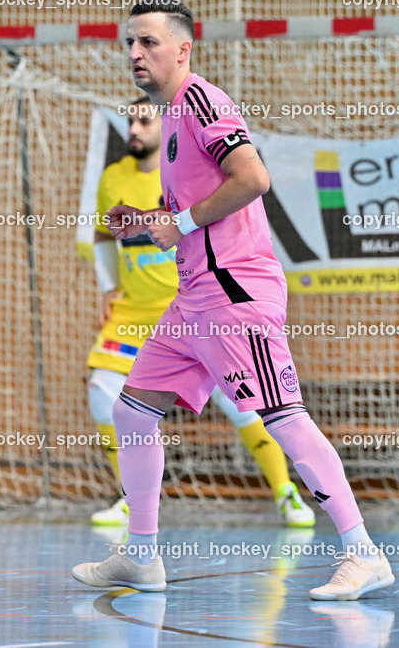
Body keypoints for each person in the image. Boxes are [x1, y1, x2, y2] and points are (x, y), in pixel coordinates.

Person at [72, 1, 394, 601]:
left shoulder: (201, 100)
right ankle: (140, 556)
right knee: (132, 411)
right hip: (192, 299)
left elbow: (252, 178)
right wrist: (147, 218)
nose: (135, 53)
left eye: (148, 42)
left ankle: (363, 552)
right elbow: (196, 206)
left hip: (234, 294)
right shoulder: (170, 116)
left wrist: (179, 223)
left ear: (182, 49)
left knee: (283, 417)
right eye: (130, 43)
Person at [86, 96, 315, 529]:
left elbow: (238, 197)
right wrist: (109, 286)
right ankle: (132, 501)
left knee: (244, 400)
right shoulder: (113, 177)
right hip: (133, 313)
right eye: (130, 120)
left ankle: (285, 492)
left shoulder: (187, 168)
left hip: (193, 303)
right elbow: (102, 233)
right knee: (104, 393)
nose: (134, 128)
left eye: (144, 120)